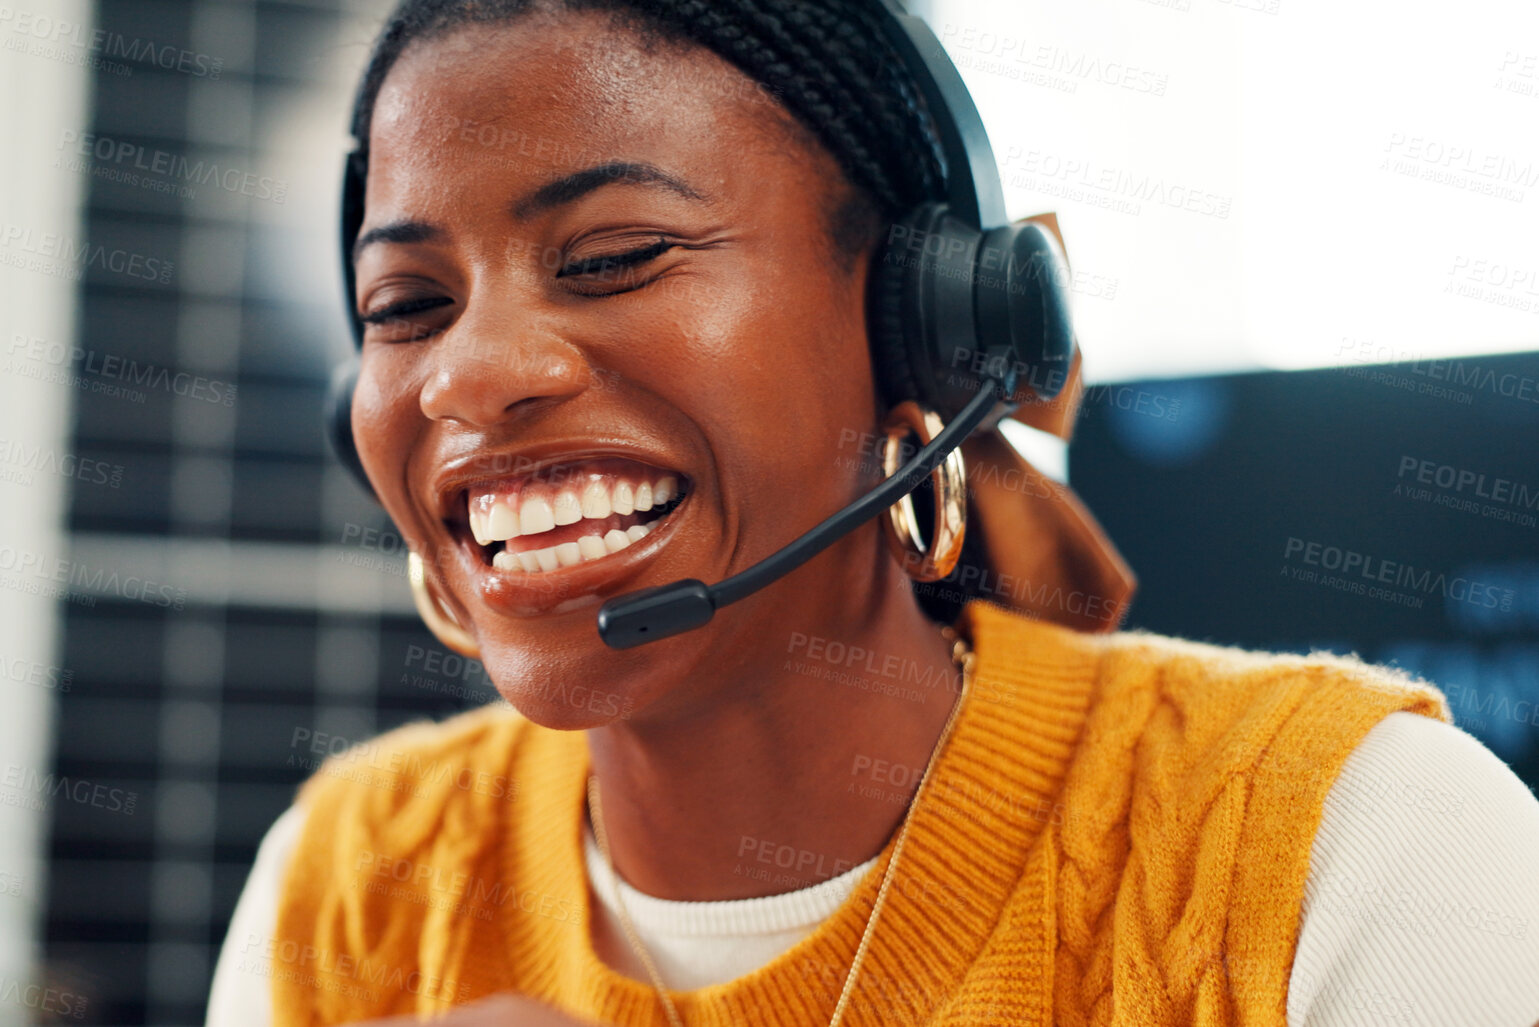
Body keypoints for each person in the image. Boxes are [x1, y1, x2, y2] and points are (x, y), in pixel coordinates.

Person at [208, 1, 1539, 1023]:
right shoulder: (354, 874)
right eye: (406, 308)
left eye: (614, 258)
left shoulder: (1351, 839)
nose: (468, 373)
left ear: (926, 336)